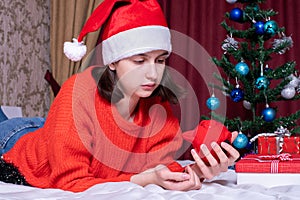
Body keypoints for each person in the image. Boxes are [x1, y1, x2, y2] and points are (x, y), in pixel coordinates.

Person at [0, 0, 240, 192]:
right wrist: (142, 180)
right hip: (18, 141)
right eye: (139, 61)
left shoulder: (157, 107)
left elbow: (161, 168)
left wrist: (197, 171)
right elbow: (71, 184)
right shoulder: (77, 92)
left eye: (160, 60)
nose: (153, 73)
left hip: (58, 133)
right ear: (113, 62)